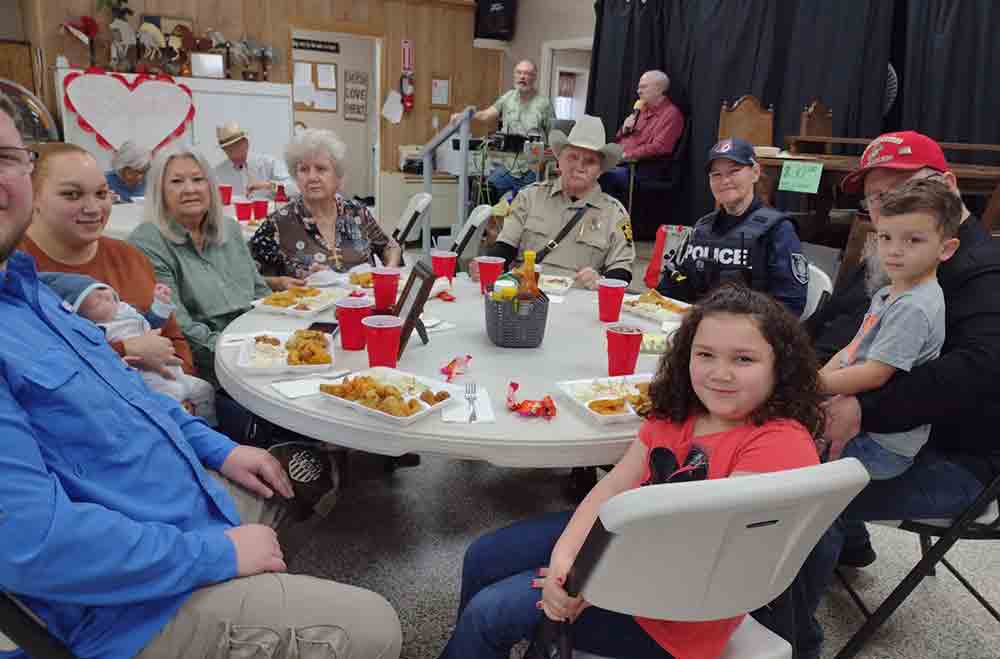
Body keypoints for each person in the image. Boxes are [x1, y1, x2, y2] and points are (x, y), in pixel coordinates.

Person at [0, 92, 403, 659]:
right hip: (126, 608)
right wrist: (217, 557)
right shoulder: (91, 274)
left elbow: (138, 398)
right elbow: (34, 545)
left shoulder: (31, 293)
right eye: (71, 194)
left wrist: (220, 451)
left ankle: (260, 591)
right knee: (381, 625)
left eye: (5, 158)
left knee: (297, 473)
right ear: (40, 201)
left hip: (176, 497)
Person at [437, 285, 821, 659]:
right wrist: (565, 559)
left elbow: (704, 553)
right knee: (484, 556)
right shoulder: (679, 411)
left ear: (779, 367)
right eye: (705, 354)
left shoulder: (780, 443)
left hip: (678, 613)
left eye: (743, 359)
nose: (720, 373)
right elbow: (616, 485)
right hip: (627, 548)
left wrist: (595, 584)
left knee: (489, 613)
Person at [798, 131, 1000, 657]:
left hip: (962, 461)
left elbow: (974, 376)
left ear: (948, 189)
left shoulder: (985, 274)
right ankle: (851, 546)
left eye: (903, 190)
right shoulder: (894, 252)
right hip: (901, 427)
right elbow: (843, 321)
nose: (887, 208)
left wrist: (860, 408)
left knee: (800, 495)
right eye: (876, 198)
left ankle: (796, 638)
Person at [818, 178, 960, 480]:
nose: (895, 251)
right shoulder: (889, 291)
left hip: (881, 444)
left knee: (803, 482)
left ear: (945, 249)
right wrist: (814, 380)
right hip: (858, 416)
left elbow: (875, 373)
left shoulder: (914, 306)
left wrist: (812, 386)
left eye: (913, 240)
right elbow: (852, 348)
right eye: (886, 238)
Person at [20, 143, 194, 379]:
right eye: (72, 194)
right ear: (31, 196)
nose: (93, 208)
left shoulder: (130, 257)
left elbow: (173, 338)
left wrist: (185, 393)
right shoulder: (15, 271)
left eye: (102, 193)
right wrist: (125, 349)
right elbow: (31, 370)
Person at [129, 146, 284, 385]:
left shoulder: (230, 229)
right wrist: (242, 354)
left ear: (210, 186)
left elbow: (260, 292)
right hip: (210, 362)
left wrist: (280, 338)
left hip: (263, 350)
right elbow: (180, 327)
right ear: (160, 191)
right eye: (177, 181)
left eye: (198, 179)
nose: (190, 189)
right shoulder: (148, 242)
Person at [469, 114, 636, 289]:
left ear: (600, 171)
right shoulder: (529, 197)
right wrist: (487, 266)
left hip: (580, 303)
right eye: (573, 157)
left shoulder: (615, 213)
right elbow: (505, 247)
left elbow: (622, 270)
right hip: (527, 293)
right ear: (559, 161)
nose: (579, 166)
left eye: (590, 161)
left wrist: (601, 280)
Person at [41, 272, 218, 426]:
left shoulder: (128, 312)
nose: (105, 297)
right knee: (174, 402)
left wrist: (161, 305)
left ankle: (210, 426)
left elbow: (153, 323)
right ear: (83, 317)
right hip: (151, 381)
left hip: (175, 370)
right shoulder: (99, 331)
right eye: (95, 302)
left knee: (205, 389)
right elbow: (93, 354)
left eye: (104, 290)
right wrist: (125, 349)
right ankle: (186, 440)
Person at [658, 137, 808, 316]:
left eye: (734, 171)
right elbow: (671, 286)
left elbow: (791, 305)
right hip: (698, 327)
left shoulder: (778, 230)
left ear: (755, 172)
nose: (725, 180)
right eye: (716, 174)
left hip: (752, 334)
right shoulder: (702, 228)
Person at [250, 128, 401, 288]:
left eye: (321, 169)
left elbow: (390, 247)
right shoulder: (278, 223)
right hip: (309, 308)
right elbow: (244, 277)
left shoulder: (357, 213)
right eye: (304, 170)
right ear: (296, 176)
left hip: (361, 306)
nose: (312, 177)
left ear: (338, 176)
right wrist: (279, 283)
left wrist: (389, 270)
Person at [453, 59, 555, 200]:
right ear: (514, 75)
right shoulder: (507, 98)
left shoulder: (544, 104)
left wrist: (543, 163)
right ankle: (482, 222)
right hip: (508, 167)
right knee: (483, 194)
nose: (522, 77)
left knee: (524, 209)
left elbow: (553, 136)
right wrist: (465, 115)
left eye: (527, 73)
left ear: (534, 77)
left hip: (532, 170)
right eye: (519, 73)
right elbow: (486, 115)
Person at [598, 70, 685, 207]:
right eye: (639, 87)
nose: (638, 91)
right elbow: (619, 139)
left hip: (642, 171)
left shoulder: (671, 114)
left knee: (601, 175)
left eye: (643, 87)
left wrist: (626, 155)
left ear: (659, 89)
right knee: (590, 169)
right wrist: (623, 130)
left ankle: (611, 220)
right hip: (622, 163)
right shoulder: (641, 110)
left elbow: (660, 147)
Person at [213, 120, 296, 199]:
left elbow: (294, 189)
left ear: (246, 143)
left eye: (236, 148)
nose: (233, 155)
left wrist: (268, 186)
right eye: (228, 151)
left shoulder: (269, 163)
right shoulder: (218, 173)